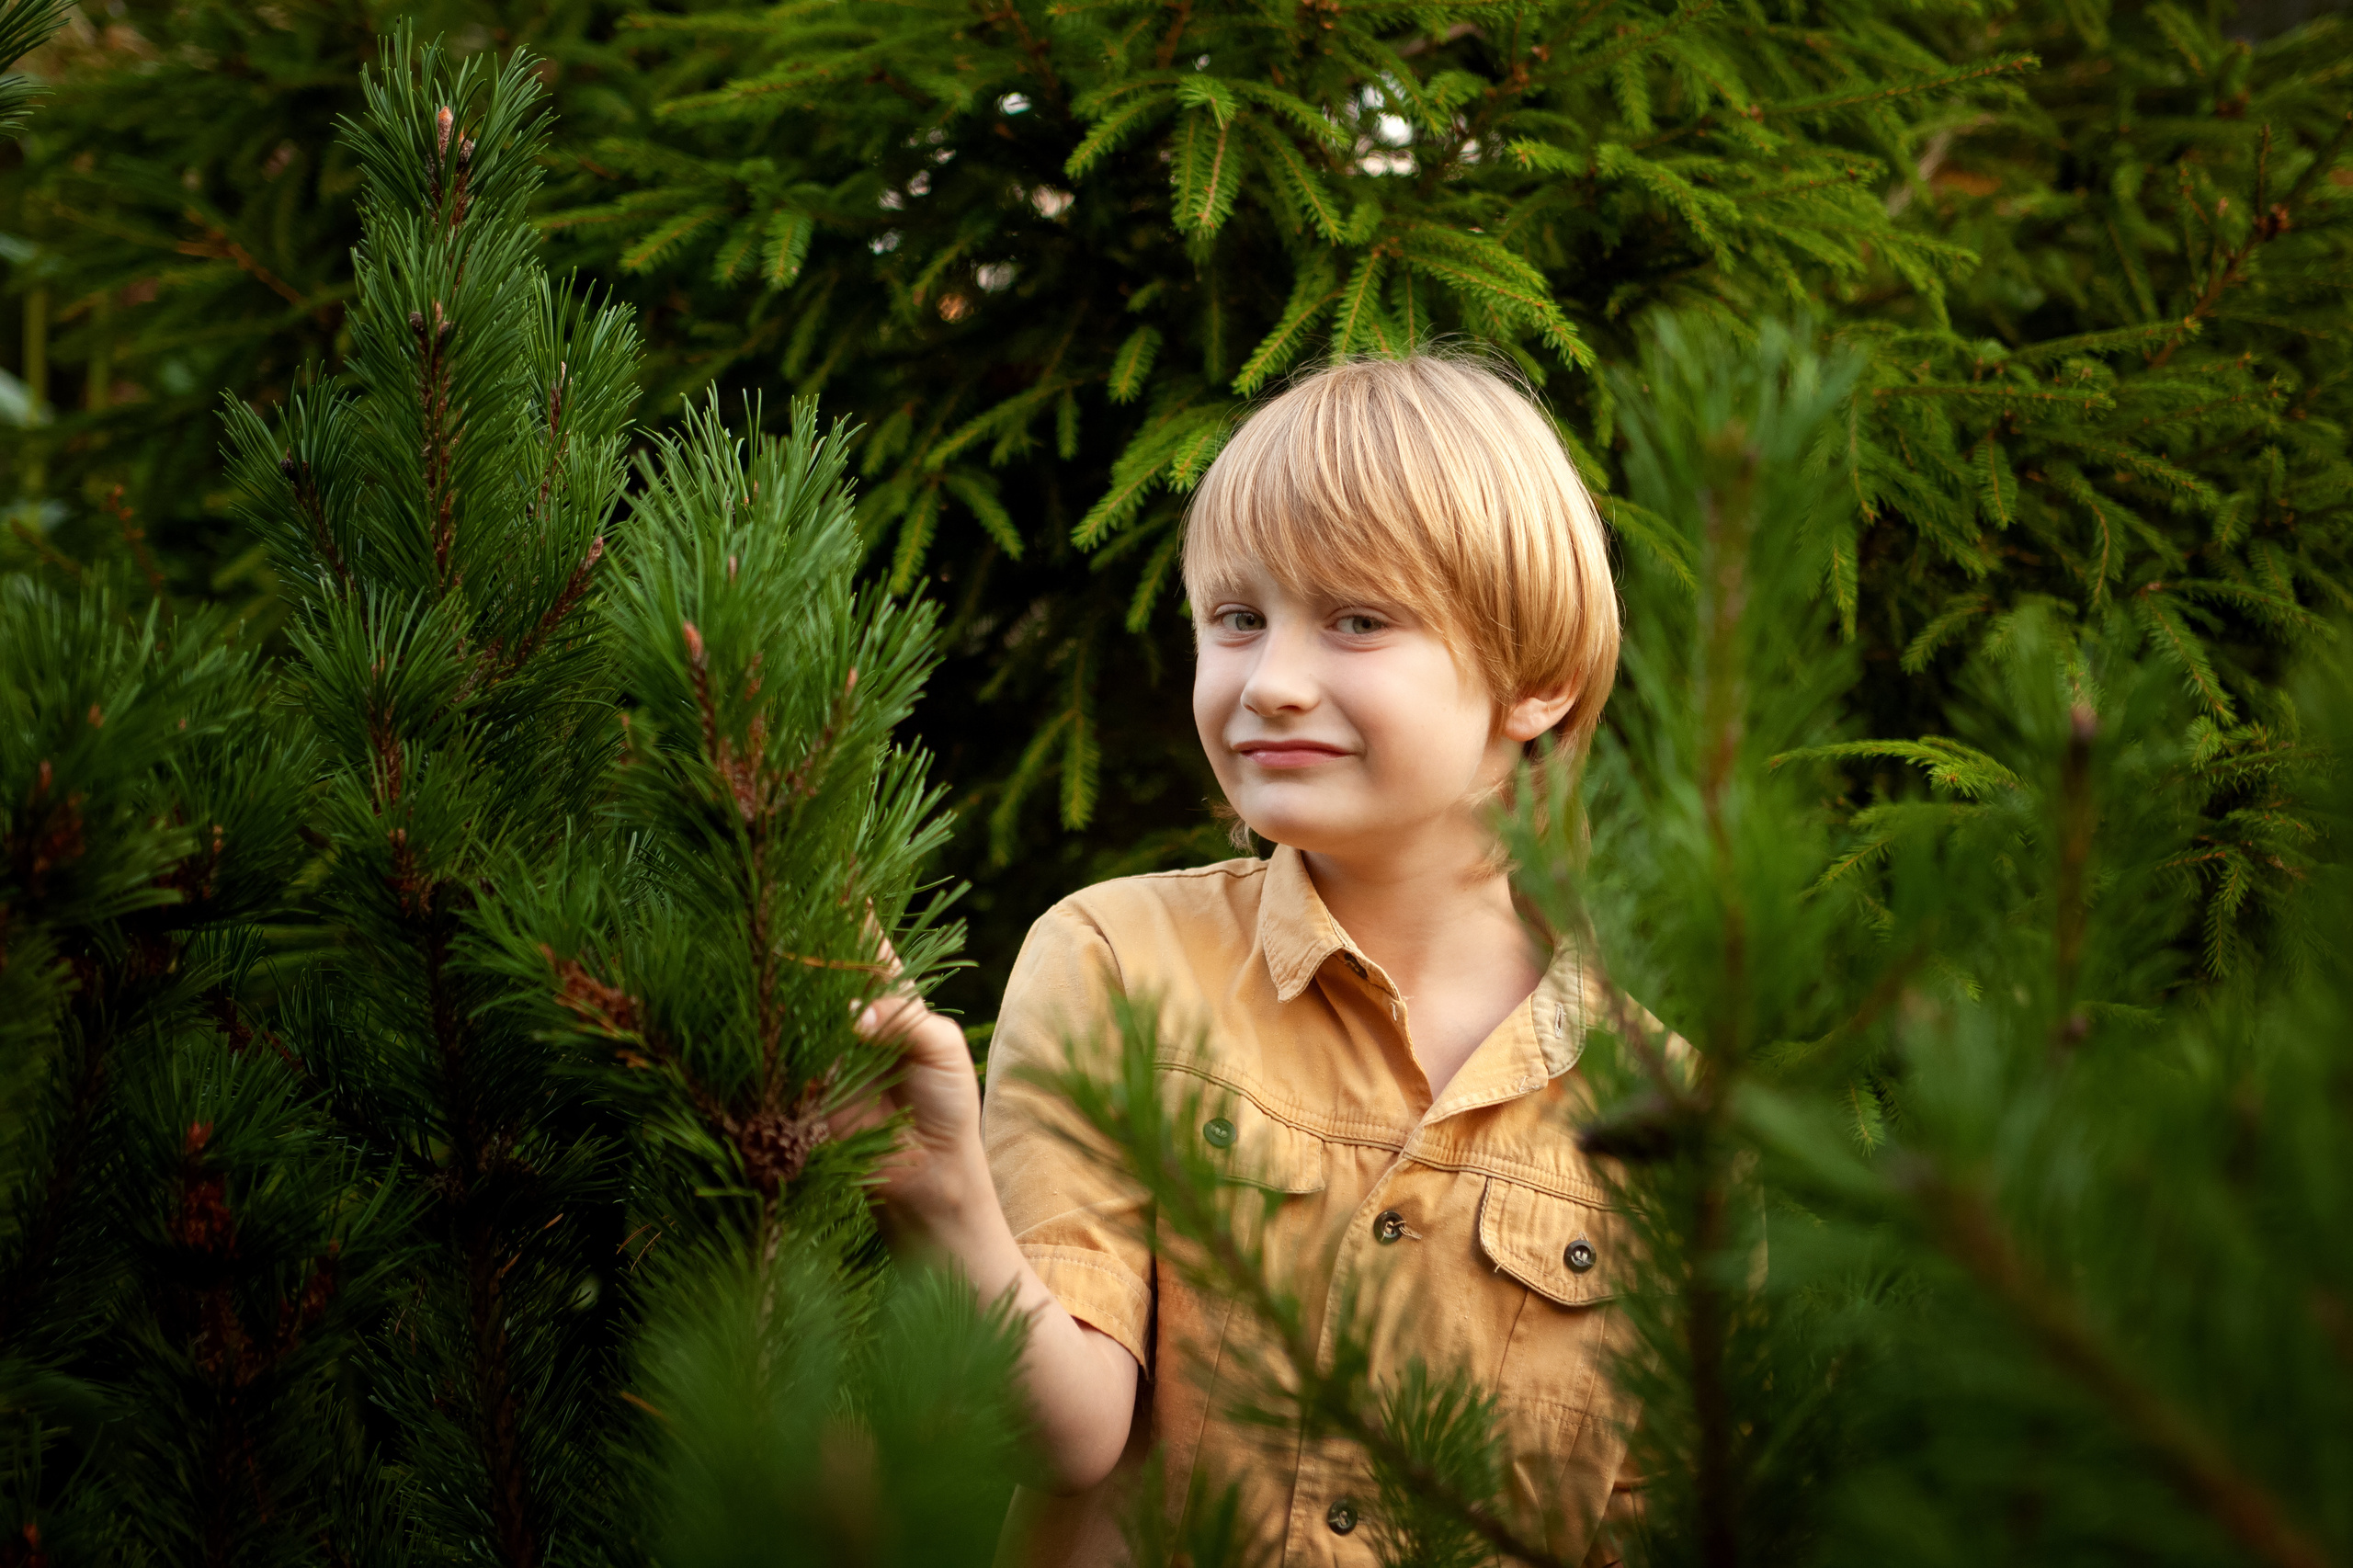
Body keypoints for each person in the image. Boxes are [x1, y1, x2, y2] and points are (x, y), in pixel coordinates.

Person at [847, 350, 1640, 1566]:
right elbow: (1061, 1432)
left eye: (1358, 621)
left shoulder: (1664, 1108)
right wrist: (941, 1189)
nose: (1270, 682)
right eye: (1237, 618)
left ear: (1533, 678)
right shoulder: (1118, 959)